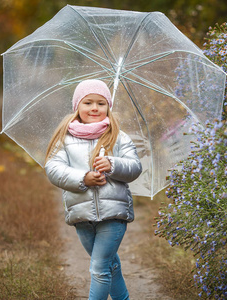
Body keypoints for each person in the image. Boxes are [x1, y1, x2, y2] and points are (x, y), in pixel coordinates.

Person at [44, 79, 142, 300]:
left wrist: (113, 164)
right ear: (77, 106)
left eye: (101, 103)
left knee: (98, 268)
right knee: (109, 265)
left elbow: (135, 167)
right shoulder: (65, 138)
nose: (95, 108)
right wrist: (83, 178)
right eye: (88, 102)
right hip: (82, 216)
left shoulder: (117, 136)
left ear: (108, 106)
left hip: (113, 214)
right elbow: (53, 168)